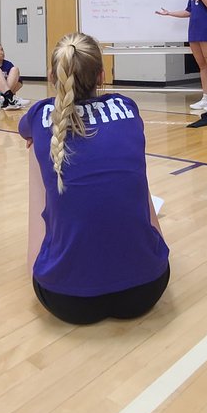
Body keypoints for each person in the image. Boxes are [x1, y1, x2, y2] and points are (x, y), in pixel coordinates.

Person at [19, 31, 170, 325]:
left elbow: (23, 129)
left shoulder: (40, 113)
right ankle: (141, 252)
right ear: (101, 76)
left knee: (42, 148)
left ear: (53, 77)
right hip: (148, 288)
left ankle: (50, 261)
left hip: (66, 299)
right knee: (128, 160)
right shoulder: (127, 107)